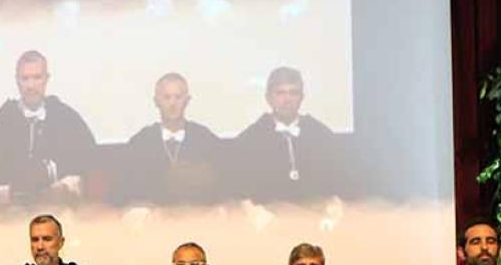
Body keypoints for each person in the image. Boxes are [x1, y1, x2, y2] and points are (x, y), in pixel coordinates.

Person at [0, 51, 97, 205]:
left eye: (37, 77)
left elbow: (89, 162)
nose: (31, 86)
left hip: (61, 209)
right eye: (25, 79)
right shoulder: (3, 120)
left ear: (47, 79)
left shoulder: (65, 117)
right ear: (17, 81)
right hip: (12, 211)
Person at [232, 67, 338, 203]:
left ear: (302, 98)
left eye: (293, 93)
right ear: (269, 98)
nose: (287, 99)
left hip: (316, 217)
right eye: (280, 93)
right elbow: (242, 193)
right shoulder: (250, 140)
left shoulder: (321, 136)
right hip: (271, 218)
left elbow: (336, 184)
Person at [119, 73, 225, 205]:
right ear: (156, 101)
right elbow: (124, 193)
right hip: (155, 222)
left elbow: (222, 188)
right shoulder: (140, 143)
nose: (172, 103)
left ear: (187, 101)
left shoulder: (205, 139)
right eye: (167, 97)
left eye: (178, 97)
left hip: (198, 219)